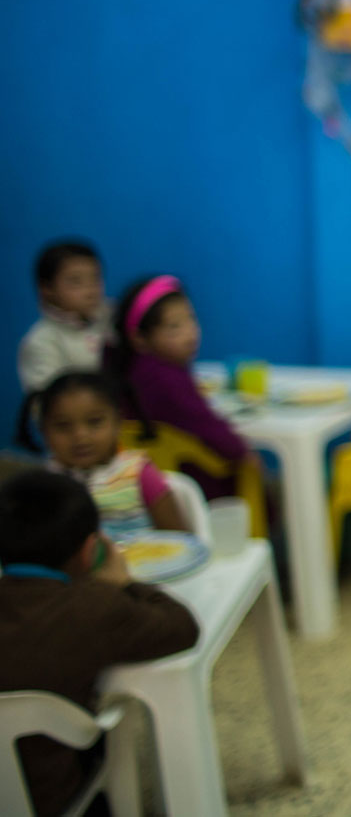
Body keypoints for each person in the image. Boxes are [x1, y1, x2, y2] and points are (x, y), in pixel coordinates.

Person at [0, 469, 200, 816]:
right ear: (90, 549)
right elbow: (182, 627)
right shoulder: (95, 607)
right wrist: (122, 582)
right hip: (53, 798)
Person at [106, 275, 253, 501]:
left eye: (191, 320)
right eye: (174, 327)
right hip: (198, 488)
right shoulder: (167, 379)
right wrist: (245, 453)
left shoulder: (130, 370)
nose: (190, 333)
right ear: (139, 338)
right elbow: (223, 441)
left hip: (148, 487)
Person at [16, 371, 188, 537]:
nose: (80, 436)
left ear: (117, 422)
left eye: (95, 422)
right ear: (43, 430)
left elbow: (182, 541)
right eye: (63, 426)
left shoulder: (139, 474)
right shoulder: (43, 486)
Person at [18, 239, 109, 395]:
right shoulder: (42, 341)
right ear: (47, 289)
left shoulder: (110, 317)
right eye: (76, 281)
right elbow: (47, 403)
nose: (91, 290)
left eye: (95, 278)